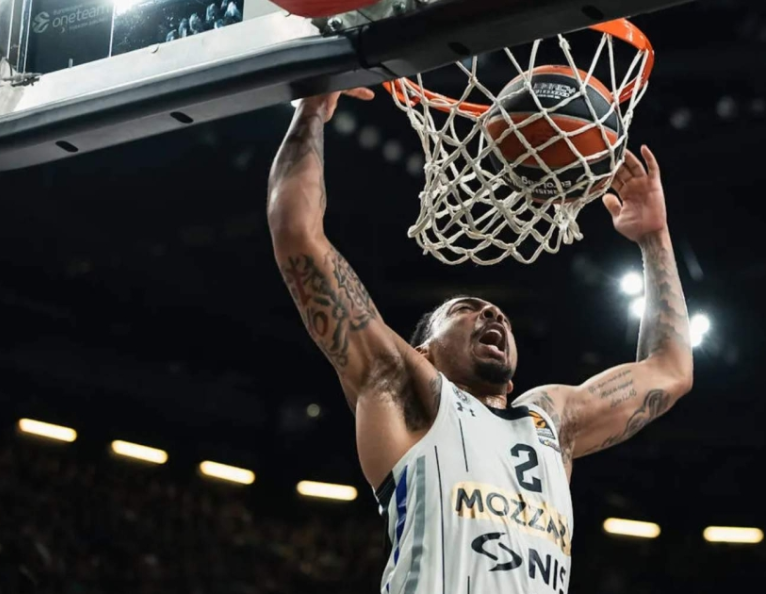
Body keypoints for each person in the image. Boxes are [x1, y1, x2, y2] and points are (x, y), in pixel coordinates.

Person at [266, 88, 694, 594]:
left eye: (499, 315)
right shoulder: (406, 388)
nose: (492, 313)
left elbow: (671, 370)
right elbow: (297, 233)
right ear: (424, 351)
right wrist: (311, 112)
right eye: (463, 309)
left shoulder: (551, 421)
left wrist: (654, 236)